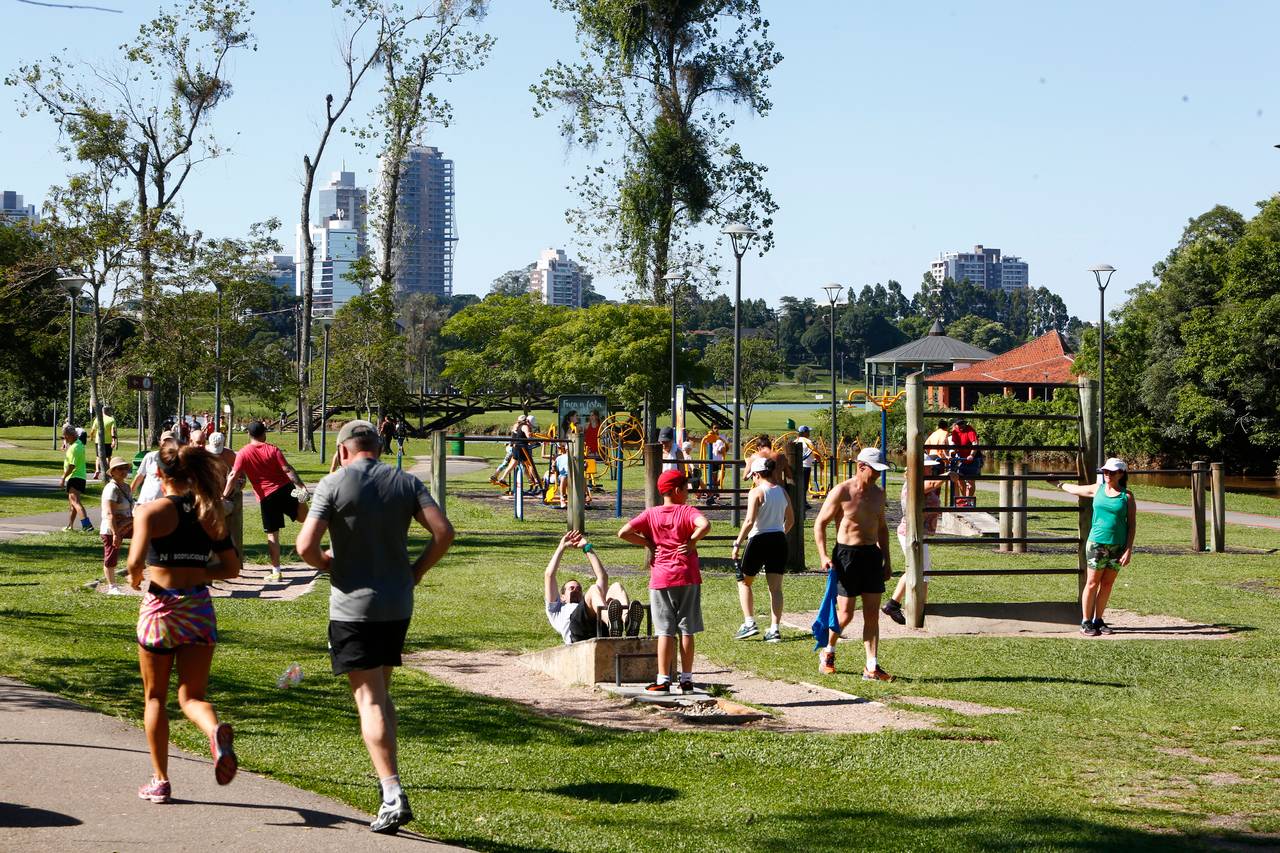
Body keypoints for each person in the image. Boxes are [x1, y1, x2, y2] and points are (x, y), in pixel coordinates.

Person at [295, 419, 455, 835]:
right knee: (381, 693)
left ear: (342, 450)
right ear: (379, 448)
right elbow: (443, 532)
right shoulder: (406, 482)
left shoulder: (333, 484)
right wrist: (416, 571)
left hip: (353, 608)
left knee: (368, 699)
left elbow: (305, 546)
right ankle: (390, 779)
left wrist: (327, 564)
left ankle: (392, 792)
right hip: (397, 605)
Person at [126, 444, 243, 804]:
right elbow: (232, 568)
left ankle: (160, 780)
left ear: (158, 474)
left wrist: (135, 578)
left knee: (155, 697)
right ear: (191, 475)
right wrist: (198, 571)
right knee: (192, 697)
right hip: (198, 609)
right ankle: (214, 730)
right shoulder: (209, 512)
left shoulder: (150, 511)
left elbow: (134, 564)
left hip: (161, 608)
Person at [618, 469, 710, 694]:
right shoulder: (687, 511)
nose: (688, 493)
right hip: (687, 575)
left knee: (664, 631)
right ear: (678, 490)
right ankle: (686, 680)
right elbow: (705, 525)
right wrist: (692, 541)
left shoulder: (651, 514)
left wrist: (648, 543)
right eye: (686, 488)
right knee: (686, 629)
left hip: (661, 577)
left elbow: (624, 532)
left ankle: (663, 679)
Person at [813, 446, 894, 681]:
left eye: (880, 470)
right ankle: (828, 652)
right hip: (846, 556)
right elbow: (820, 524)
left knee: (872, 614)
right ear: (861, 467)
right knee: (846, 614)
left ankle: (871, 666)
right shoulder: (842, 491)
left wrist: (887, 560)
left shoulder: (879, 494)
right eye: (874, 470)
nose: (877, 474)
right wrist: (823, 556)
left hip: (871, 555)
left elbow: (882, 528)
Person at [1053, 458, 1137, 636]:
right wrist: (1057, 483)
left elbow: (1132, 525)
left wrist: (1128, 549)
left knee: (1107, 584)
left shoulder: (1127, 496)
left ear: (1121, 473)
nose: (1107, 474)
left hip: (1118, 546)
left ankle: (1098, 620)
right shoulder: (1097, 489)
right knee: (1092, 583)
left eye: (1112, 472)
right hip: (1097, 543)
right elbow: (1075, 489)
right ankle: (1086, 621)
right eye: (1105, 471)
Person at [222, 421, 310, 583]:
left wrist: (225, 496)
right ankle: (301, 500)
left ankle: (276, 572)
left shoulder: (243, 453)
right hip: (285, 489)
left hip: (267, 497)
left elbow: (233, 475)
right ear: (264, 434)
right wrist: (302, 487)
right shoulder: (273, 449)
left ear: (249, 434)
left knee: (272, 534)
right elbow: (288, 469)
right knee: (304, 518)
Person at [731, 453, 794, 643]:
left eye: (753, 476)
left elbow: (750, 521)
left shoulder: (756, 492)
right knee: (775, 588)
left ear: (757, 474)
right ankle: (774, 629)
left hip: (759, 539)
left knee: (744, 582)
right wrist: (780, 532)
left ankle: (749, 622)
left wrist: (737, 543)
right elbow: (791, 520)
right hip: (779, 540)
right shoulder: (782, 492)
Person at [544, 530, 644, 643]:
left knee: (616, 586)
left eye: (579, 589)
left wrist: (587, 547)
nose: (576, 590)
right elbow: (549, 575)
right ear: (562, 597)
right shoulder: (556, 610)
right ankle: (611, 622)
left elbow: (603, 577)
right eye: (571, 588)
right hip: (577, 634)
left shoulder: (589, 602)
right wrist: (561, 547)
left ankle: (627, 622)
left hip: (599, 627)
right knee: (593, 589)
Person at [882, 454, 946, 624]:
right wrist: (947, 476)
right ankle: (906, 606)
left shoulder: (920, 481)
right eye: (928, 466)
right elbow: (931, 485)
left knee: (921, 570)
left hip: (918, 533)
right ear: (919, 468)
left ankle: (908, 605)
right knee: (919, 571)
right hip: (911, 533)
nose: (931, 469)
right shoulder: (914, 483)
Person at [98, 456, 135, 595]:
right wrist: (115, 534)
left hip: (126, 524)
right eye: (119, 469)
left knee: (147, 536)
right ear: (112, 472)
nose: (123, 471)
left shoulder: (126, 487)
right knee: (111, 556)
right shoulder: (111, 489)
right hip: (111, 528)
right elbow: (109, 513)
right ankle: (112, 587)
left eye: (125, 468)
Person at [60, 425, 93, 532]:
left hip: (74, 477)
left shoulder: (75, 448)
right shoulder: (78, 444)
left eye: (65, 436)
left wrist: (63, 477)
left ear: (71, 435)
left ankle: (87, 525)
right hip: (79, 477)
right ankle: (70, 526)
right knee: (73, 504)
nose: (65, 439)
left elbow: (71, 466)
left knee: (75, 502)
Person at [133, 431, 178, 505]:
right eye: (165, 440)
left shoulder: (179, 460)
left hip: (164, 505)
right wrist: (128, 496)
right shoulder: (150, 456)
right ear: (160, 442)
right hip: (144, 503)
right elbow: (139, 477)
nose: (167, 443)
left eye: (170, 441)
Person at [949, 418, 981, 502]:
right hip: (962, 459)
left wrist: (971, 455)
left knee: (970, 481)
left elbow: (975, 443)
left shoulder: (970, 430)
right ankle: (965, 499)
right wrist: (952, 453)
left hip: (973, 459)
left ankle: (968, 500)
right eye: (959, 424)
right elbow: (954, 444)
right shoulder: (955, 432)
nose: (961, 426)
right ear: (956, 425)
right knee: (960, 479)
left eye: (962, 423)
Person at [88, 405, 117, 480]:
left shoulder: (97, 419)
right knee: (108, 457)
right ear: (108, 411)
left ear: (102, 411)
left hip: (98, 441)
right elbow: (113, 430)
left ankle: (97, 470)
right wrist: (114, 440)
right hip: (108, 441)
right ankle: (108, 471)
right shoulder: (111, 419)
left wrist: (91, 437)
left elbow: (93, 430)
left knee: (98, 457)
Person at [794, 426, 815, 505]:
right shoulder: (808, 441)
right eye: (808, 432)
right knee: (805, 485)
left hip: (797, 466)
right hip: (806, 466)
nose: (809, 433)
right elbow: (814, 452)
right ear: (805, 433)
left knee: (799, 484)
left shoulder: (796, 441)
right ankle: (803, 502)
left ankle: (799, 500)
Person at [706, 427, 727, 505]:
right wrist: (690, 438)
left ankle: (715, 491)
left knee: (721, 477)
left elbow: (726, 447)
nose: (716, 429)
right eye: (715, 428)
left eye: (717, 428)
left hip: (721, 460)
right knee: (713, 479)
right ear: (712, 429)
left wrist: (722, 450)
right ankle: (715, 493)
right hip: (713, 460)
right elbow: (702, 441)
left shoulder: (722, 437)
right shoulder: (710, 436)